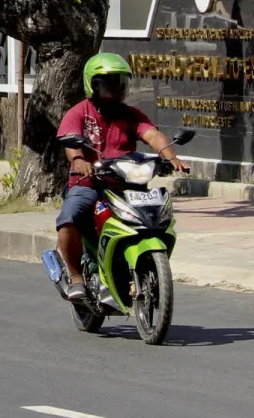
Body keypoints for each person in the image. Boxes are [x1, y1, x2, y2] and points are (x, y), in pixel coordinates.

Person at [54, 52, 187, 303]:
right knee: (69, 219)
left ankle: (143, 266)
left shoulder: (130, 114)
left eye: (120, 82)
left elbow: (152, 135)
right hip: (88, 184)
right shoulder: (79, 112)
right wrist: (79, 160)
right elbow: (71, 141)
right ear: (93, 85)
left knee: (155, 219)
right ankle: (76, 277)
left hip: (126, 186)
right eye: (109, 83)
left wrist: (171, 157)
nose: (116, 88)